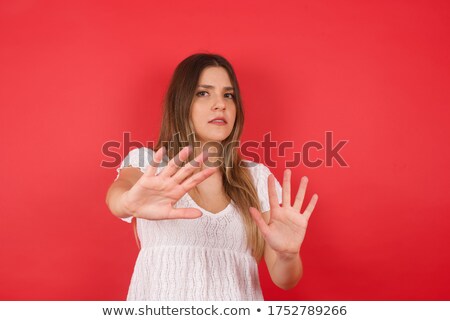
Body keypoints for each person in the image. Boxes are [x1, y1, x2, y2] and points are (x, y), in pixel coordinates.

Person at [105, 53, 318, 300]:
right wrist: (127, 202)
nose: (221, 104)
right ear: (181, 103)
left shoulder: (257, 178)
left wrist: (288, 255)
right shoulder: (149, 164)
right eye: (203, 93)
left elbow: (285, 280)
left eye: (228, 95)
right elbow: (117, 196)